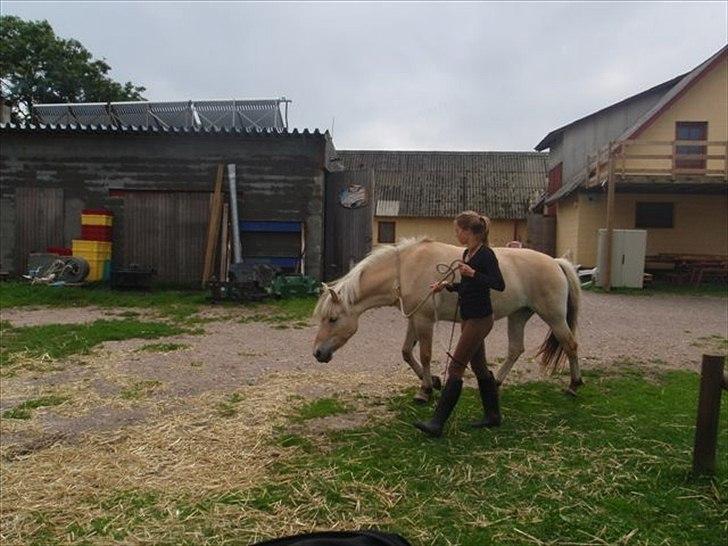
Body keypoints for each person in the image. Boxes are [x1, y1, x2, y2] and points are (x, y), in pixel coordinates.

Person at [413, 210, 506, 437]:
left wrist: (473, 273)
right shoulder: (467, 253)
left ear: (467, 231)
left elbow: (498, 284)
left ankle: (437, 423)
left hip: (480, 319)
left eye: (457, 230)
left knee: (455, 367)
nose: (456, 234)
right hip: (468, 317)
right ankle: (493, 416)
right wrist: (447, 286)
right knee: (479, 367)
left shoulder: (485, 255)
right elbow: (467, 287)